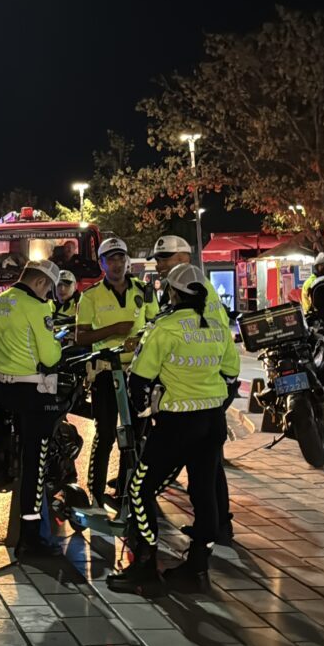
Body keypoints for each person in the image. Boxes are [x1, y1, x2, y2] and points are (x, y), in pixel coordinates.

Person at [107, 264, 241, 595]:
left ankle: (145, 564)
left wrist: (146, 410)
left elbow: (138, 380)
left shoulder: (164, 327)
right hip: (213, 421)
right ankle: (197, 568)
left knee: (139, 489)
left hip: (177, 423)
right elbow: (231, 375)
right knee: (204, 493)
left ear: (172, 292)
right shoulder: (217, 327)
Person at [151, 234, 234, 543]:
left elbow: (206, 336)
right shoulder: (179, 289)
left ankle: (215, 527)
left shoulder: (199, 292)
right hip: (204, 385)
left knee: (206, 467)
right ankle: (213, 525)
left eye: (165, 258)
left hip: (202, 387)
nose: (159, 264)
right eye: (158, 259)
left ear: (185, 259)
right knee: (206, 464)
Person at [0, 260, 66, 558]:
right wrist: (57, 344)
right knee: (35, 463)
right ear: (41, 283)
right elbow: (50, 356)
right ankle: (30, 538)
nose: (47, 295)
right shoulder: (36, 307)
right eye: (48, 290)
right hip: (31, 393)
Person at [77, 237, 159, 508]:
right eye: (110, 259)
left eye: (120, 258)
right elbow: (80, 336)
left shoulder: (144, 291)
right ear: (102, 264)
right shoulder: (90, 296)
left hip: (138, 371)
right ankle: (96, 494)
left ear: (127, 260)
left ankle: (125, 492)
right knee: (106, 435)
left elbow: (156, 325)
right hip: (106, 373)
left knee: (135, 436)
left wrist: (142, 339)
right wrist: (113, 330)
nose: (117, 264)